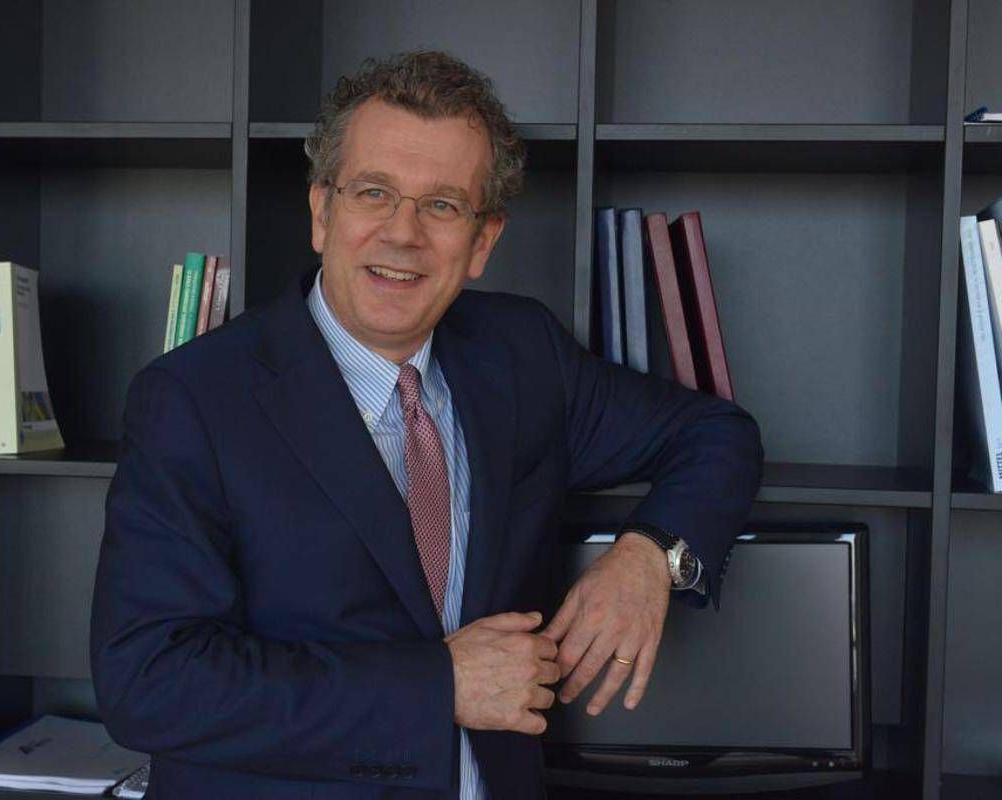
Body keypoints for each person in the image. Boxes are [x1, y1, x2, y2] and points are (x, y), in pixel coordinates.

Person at [90, 50, 763, 800]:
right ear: (322, 212)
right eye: (374, 192)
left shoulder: (523, 355)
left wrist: (650, 556)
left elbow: (716, 435)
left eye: (442, 205)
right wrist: (439, 685)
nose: (402, 234)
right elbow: (149, 681)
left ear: (483, 241)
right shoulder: (193, 399)